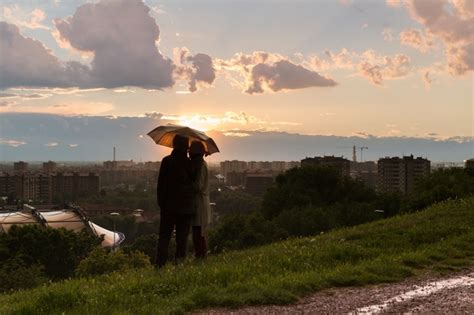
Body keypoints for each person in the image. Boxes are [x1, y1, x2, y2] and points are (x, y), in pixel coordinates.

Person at [156, 134, 194, 267]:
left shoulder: (167, 161)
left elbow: (160, 185)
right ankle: (179, 266)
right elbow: (194, 184)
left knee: (164, 237)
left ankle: (160, 266)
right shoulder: (190, 163)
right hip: (186, 208)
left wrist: (162, 204)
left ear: (174, 145)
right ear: (186, 147)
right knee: (182, 239)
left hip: (168, 207)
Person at [189, 141, 211, 259]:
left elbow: (198, 186)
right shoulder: (200, 165)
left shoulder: (201, 166)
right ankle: (200, 255)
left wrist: (187, 183)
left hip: (200, 204)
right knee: (197, 232)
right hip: (199, 203)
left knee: (199, 233)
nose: (189, 154)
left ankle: (201, 256)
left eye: (190, 152)